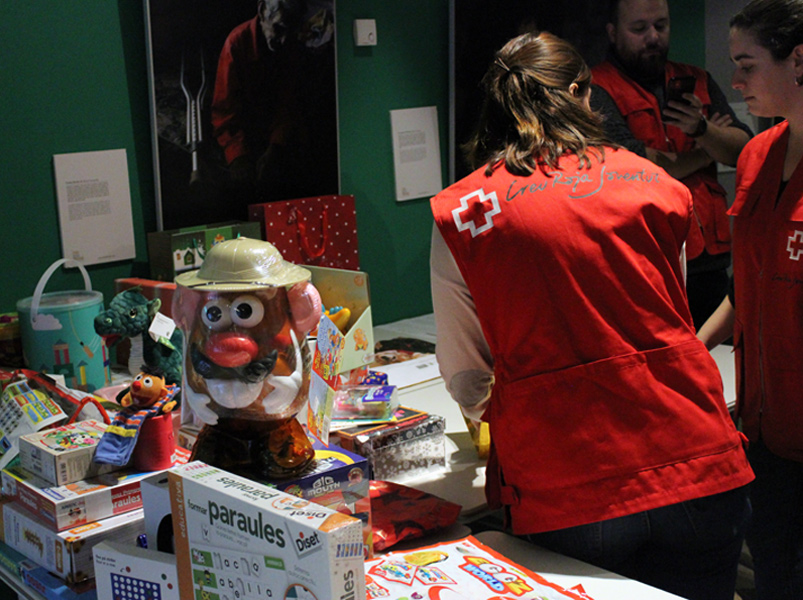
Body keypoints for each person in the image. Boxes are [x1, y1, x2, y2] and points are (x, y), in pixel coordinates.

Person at [430, 30, 754, 600]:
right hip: (695, 458)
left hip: (566, 480)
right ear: (582, 95)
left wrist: (515, 410)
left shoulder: (466, 211)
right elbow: (666, 316)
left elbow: (466, 373)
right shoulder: (656, 183)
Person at [697, 1, 803, 597]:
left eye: (747, 65)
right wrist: (698, 343)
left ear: (799, 61)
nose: (734, 83)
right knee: (771, 576)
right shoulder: (757, 155)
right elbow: (750, 284)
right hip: (761, 424)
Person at [590, 0, 753, 330]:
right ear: (612, 32)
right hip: (645, 257)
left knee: (717, 359)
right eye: (639, 29)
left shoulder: (696, 78)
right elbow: (636, 166)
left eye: (661, 26)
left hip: (709, 255)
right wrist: (708, 146)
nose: (653, 37)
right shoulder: (595, 88)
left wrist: (703, 131)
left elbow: (746, 150)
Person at [211, 0, 338, 207]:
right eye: (278, 29)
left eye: (288, 30)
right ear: (262, 12)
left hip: (278, 136)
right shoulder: (237, 43)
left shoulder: (291, 44)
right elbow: (225, 109)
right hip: (244, 135)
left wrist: (276, 146)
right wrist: (237, 156)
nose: (283, 39)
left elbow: (289, 102)